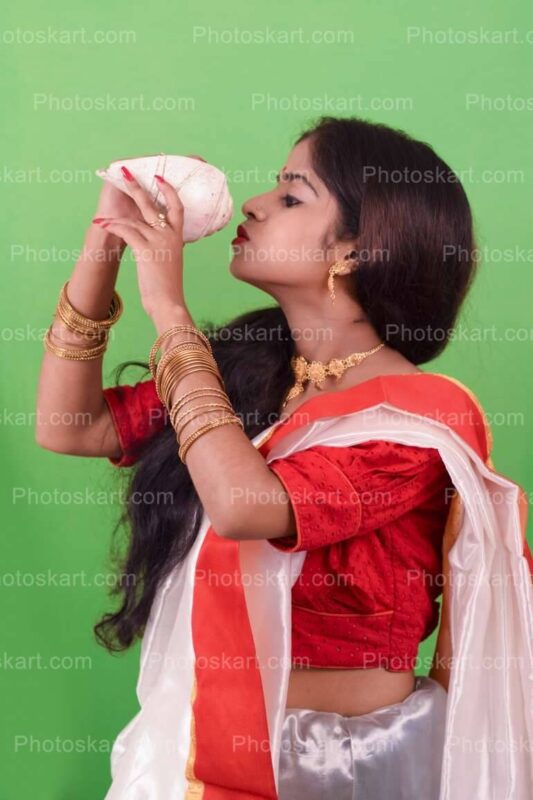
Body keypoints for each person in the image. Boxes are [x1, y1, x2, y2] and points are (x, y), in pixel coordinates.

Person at [35, 117, 533, 799]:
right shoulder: (249, 368)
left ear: (356, 249)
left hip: (346, 766)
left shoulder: (417, 417)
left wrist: (170, 314)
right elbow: (72, 426)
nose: (254, 204)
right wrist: (106, 244)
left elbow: (248, 506)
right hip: (202, 741)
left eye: (292, 196)